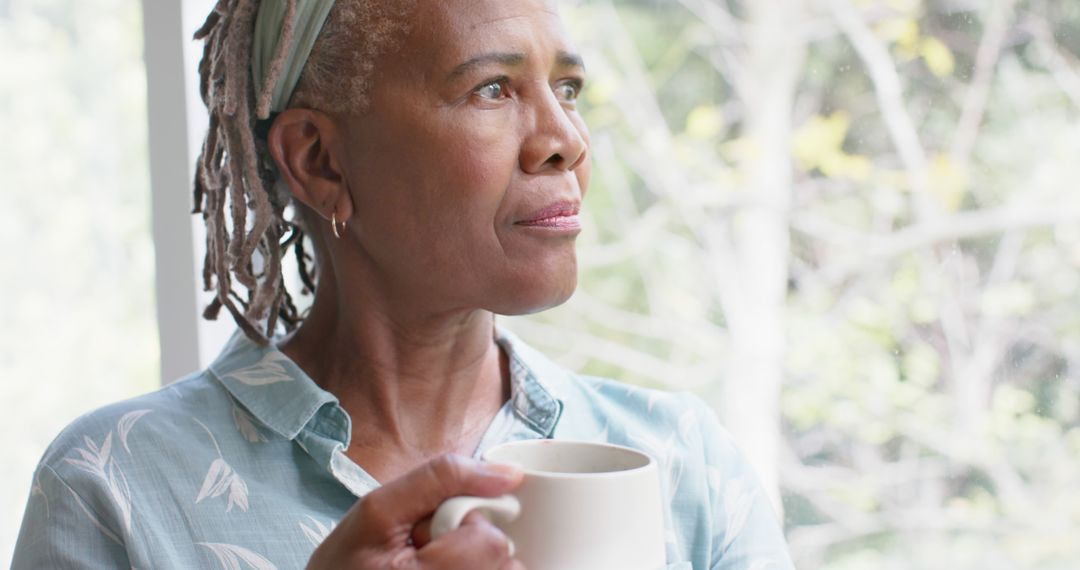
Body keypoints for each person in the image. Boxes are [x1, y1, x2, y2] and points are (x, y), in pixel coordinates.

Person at [12, 0, 795, 568]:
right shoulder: (113, 487)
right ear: (320, 160)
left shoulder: (682, 464)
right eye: (493, 88)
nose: (566, 141)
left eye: (568, 89)